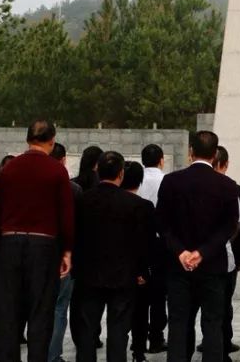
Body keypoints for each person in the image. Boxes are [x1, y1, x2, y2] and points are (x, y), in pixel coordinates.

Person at [0, 120, 75, 362]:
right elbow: (65, 215)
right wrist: (67, 250)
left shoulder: (9, 169)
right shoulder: (57, 171)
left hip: (10, 244)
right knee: (41, 310)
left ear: (27, 140)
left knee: (9, 311)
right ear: (52, 141)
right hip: (44, 246)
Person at [156, 131, 240, 362]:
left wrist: (181, 252)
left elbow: (162, 224)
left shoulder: (171, 181)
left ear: (191, 152)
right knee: (213, 323)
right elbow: (229, 227)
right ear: (215, 155)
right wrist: (203, 252)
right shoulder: (227, 185)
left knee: (179, 322)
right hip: (213, 265)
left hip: (178, 266)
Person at [73, 151, 154, 362]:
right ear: (120, 174)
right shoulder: (138, 205)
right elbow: (143, 243)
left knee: (87, 330)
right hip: (123, 276)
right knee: (119, 331)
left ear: (98, 172)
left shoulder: (83, 200)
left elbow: (75, 237)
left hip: (88, 274)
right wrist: (142, 271)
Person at [199, 146, 240, 360]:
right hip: (222, 258)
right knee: (219, 308)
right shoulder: (232, 188)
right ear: (224, 164)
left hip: (188, 258)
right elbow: (237, 226)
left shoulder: (181, 182)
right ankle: (220, 349)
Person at [50, 142, 84, 362]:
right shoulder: (72, 189)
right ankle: (52, 356)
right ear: (63, 160)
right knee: (59, 308)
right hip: (63, 256)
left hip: (33, 254)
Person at [121, 160, 155, 362]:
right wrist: (144, 270)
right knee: (141, 313)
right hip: (138, 269)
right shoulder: (145, 206)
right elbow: (148, 241)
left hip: (116, 268)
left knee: (120, 313)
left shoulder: (112, 203)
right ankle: (138, 351)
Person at [139, 143, 168, 355]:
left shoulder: (136, 180)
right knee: (159, 294)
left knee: (139, 294)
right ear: (161, 160)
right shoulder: (166, 180)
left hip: (138, 242)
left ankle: (137, 339)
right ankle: (156, 338)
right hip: (160, 243)